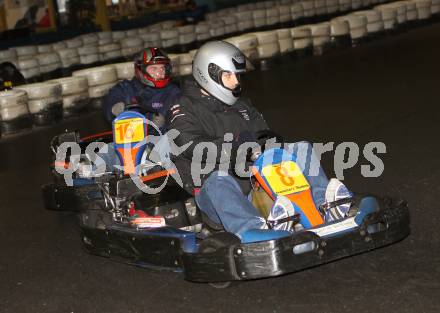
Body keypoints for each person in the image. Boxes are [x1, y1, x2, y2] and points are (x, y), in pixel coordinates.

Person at [168, 41, 351, 241]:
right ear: (208, 74)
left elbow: (264, 137)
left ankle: (323, 208)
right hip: (215, 196)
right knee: (218, 179)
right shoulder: (184, 109)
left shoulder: (243, 106)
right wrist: (236, 145)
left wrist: (270, 143)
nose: (236, 83)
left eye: (237, 75)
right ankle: (254, 229)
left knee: (300, 148)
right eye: (228, 75)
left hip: (255, 185)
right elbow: (188, 144)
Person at [103, 47, 181, 129]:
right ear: (140, 70)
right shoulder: (126, 88)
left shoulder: (173, 92)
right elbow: (111, 100)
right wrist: (114, 108)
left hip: (160, 138)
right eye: (154, 68)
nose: (160, 72)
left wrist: (164, 123)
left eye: (162, 68)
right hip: (129, 137)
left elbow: (181, 119)